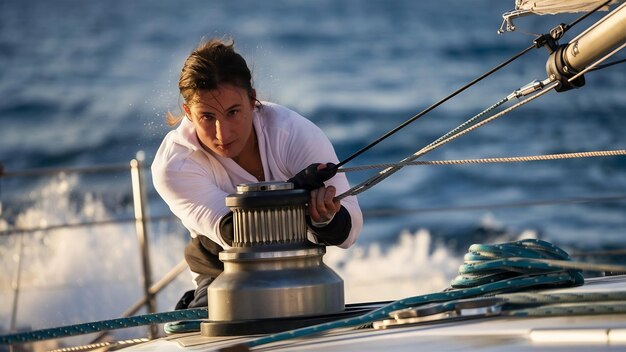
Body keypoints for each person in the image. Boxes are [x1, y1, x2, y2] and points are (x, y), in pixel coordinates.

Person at [151, 38, 363, 309]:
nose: (222, 133)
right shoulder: (175, 165)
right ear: (188, 113)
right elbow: (236, 236)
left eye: (233, 112)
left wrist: (325, 218)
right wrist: (293, 192)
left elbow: (349, 233)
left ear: (253, 100)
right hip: (221, 274)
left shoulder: (293, 134)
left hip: (303, 269)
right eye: (207, 117)